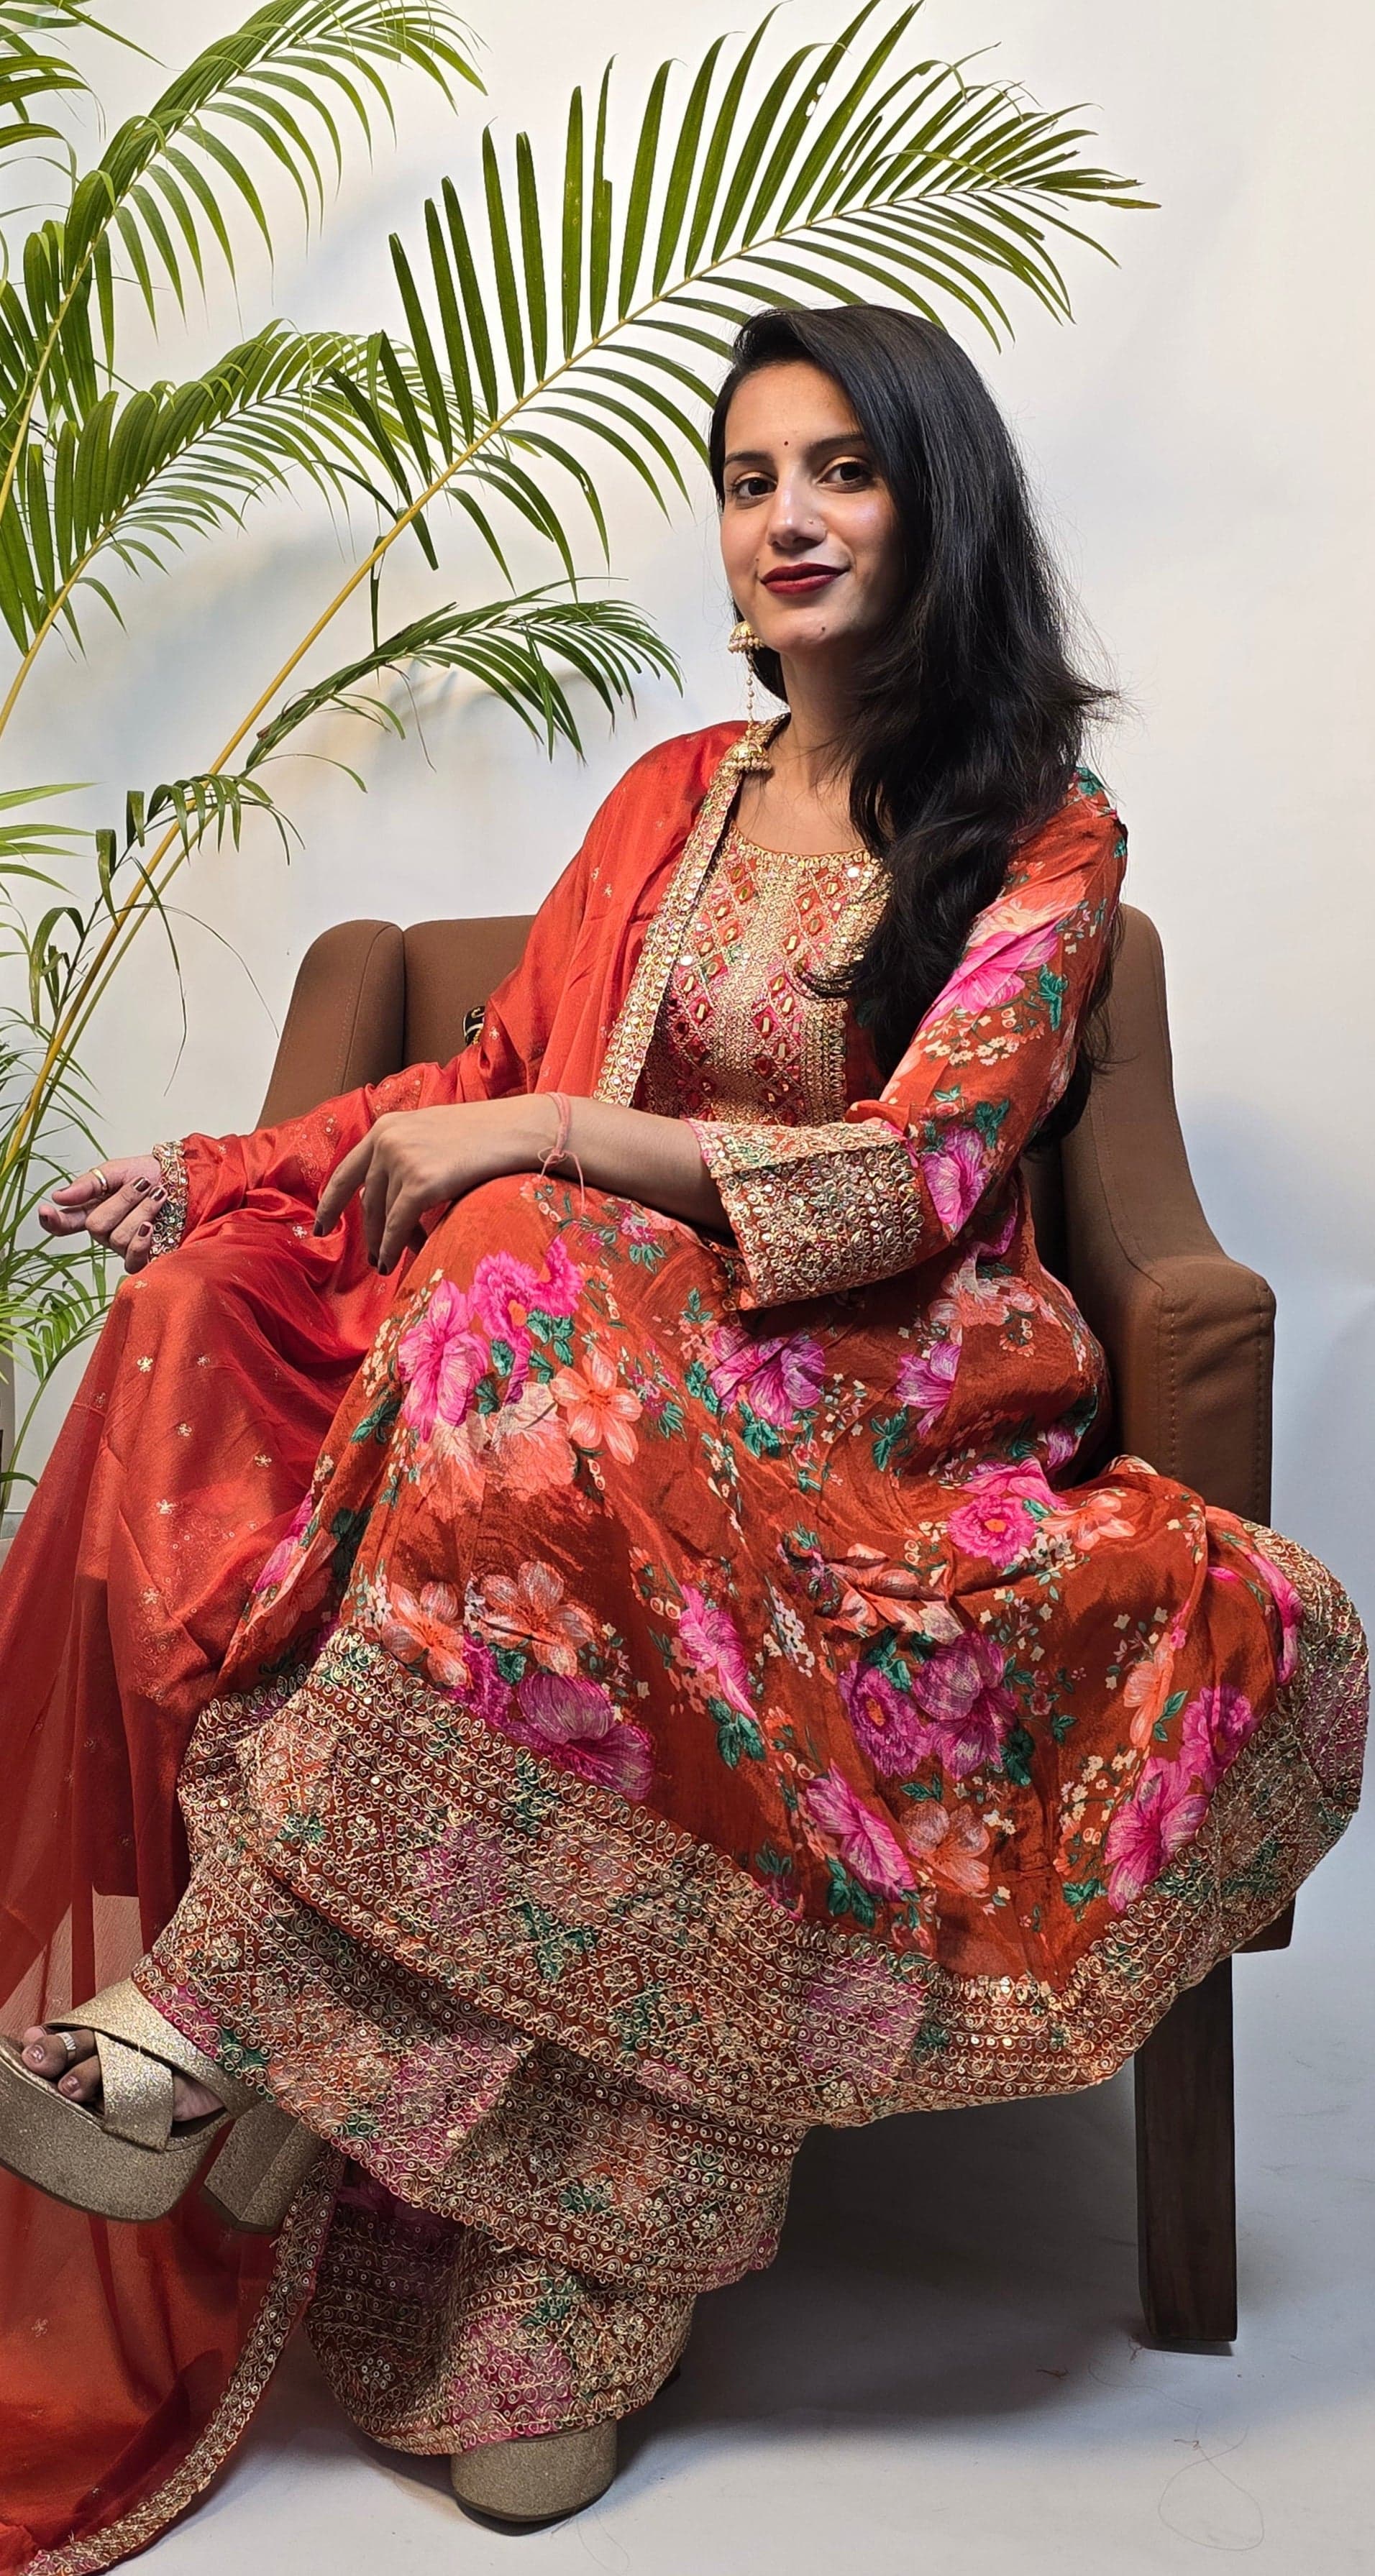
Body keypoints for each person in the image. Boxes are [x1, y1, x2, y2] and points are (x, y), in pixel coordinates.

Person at [0, 303, 1365, 2570]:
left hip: (867, 1403)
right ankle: (471, 2234)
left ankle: (224, 2028)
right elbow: (477, 1075)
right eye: (750, 478)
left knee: (533, 1251)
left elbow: (927, 1177)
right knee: (490, 1288)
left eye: (841, 468)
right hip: (567, 1405)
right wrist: (236, 1174)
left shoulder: (1041, 834)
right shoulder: (670, 804)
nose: (790, 516)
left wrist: (549, 1138)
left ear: (935, 504)